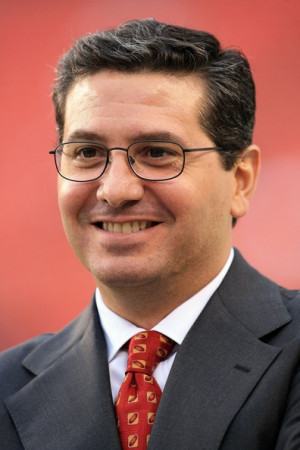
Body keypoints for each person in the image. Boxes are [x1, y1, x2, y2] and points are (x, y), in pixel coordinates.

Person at [0, 18, 299, 450]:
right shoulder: (7, 386)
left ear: (241, 179)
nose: (116, 190)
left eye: (157, 153)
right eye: (86, 153)